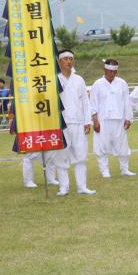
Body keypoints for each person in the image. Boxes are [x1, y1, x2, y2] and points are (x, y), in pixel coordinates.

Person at [49, 49, 96, 196]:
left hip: (77, 122)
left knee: (80, 154)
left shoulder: (79, 80)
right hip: (60, 123)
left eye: (71, 59)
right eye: (65, 59)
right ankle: (64, 187)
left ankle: (82, 186)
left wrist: (87, 121)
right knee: (61, 155)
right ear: (59, 61)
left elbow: (85, 102)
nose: (69, 61)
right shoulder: (53, 79)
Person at [90, 59, 135, 178]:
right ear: (104, 69)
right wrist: (95, 121)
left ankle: (124, 169)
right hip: (102, 120)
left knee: (122, 145)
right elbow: (93, 104)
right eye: (110, 71)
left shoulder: (122, 83)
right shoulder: (97, 84)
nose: (112, 74)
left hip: (119, 119)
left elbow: (127, 101)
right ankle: (104, 171)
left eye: (115, 71)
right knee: (102, 146)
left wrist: (128, 118)